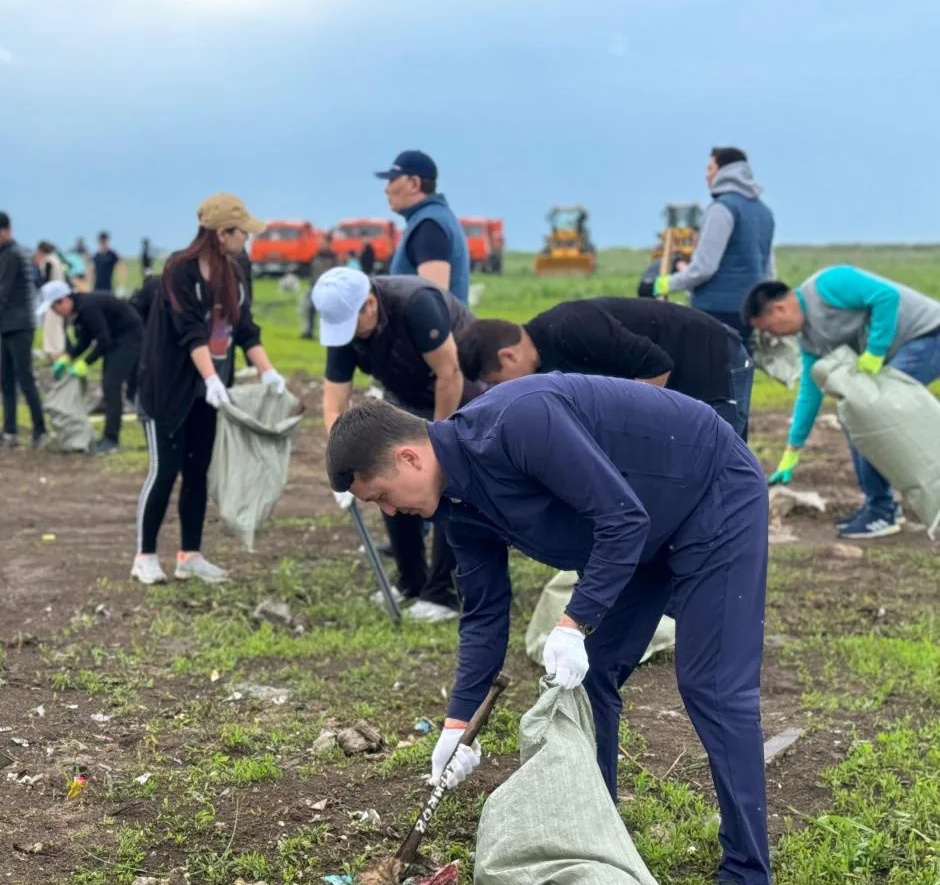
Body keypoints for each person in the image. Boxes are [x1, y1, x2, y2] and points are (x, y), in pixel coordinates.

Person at [327, 381, 772, 885]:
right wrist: (458, 725)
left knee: (712, 685)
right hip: (640, 530)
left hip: (711, 490)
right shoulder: (458, 509)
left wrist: (573, 622)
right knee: (588, 684)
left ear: (408, 457)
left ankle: (747, 880)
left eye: (381, 497)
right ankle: (597, 850)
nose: (391, 511)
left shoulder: (518, 423)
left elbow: (621, 518)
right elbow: (485, 614)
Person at [134, 193, 285, 585]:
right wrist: (211, 378)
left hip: (209, 392)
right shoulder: (179, 270)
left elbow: (245, 330)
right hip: (168, 390)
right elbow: (190, 332)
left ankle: (190, 554)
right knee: (164, 471)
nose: (247, 240)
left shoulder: (234, 272)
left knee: (198, 470)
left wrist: (269, 373)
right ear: (222, 233)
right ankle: (145, 555)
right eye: (242, 233)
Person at [315, 267, 468, 622]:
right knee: (386, 477)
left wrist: (439, 441)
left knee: (447, 483)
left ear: (369, 304)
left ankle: (444, 592)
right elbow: (334, 406)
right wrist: (340, 463)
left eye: (351, 325)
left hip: (459, 388)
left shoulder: (415, 304)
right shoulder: (345, 330)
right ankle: (412, 579)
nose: (347, 336)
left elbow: (451, 374)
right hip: (404, 394)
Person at [745, 268, 940, 539]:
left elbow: (887, 297)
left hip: (928, 334)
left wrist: (875, 351)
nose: (775, 337)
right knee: (854, 415)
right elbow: (811, 390)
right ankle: (881, 506)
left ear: (779, 309)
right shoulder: (810, 340)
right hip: (897, 351)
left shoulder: (828, 284)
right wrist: (793, 450)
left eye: (769, 329)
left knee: (868, 413)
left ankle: (882, 510)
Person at [458, 296, 755, 439]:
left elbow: (657, 365)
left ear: (508, 356)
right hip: (680, 376)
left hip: (715, 356)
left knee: (722, 456)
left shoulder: (569, 328)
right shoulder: (545, 360)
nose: (504, 389)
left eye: (498, 382)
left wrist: (627, 428)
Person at [654, 148, 775, 350]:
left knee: (709, 377)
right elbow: (769, 271)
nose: (706, 174)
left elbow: (704, 268)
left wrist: (668, 283)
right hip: (750, 313)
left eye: (710, 167)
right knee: (739, 374)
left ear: (726, 171)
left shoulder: (721, 209)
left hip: (715, 312)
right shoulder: (764, 212)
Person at [40, 280, 143, 454]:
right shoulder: (79, 309)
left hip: (128, 338)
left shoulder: (87, 307)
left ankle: (111, 439)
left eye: (53, 307)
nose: (54, 313)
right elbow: (86, 339)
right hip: (115, 338)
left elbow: (103, 339)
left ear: (63, 300)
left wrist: (84, 363)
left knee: (111, 385)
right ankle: (110, 437)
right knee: (110, 385)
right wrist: (69, 357)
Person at [0, 210, 45, 450]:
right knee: (6, 380)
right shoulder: (5, 253)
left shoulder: (13, 254)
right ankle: (10, 432)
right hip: (8, 325)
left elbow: (2, 292)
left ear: (7, 230)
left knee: (25, 378)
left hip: (19, 325)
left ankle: (40, 430)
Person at [376, 149, 470, 302]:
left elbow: (435, 302)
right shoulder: (434, 218)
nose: (387, 189)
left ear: (414, 184)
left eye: (392, 180)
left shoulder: (428, 226)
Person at [33, 241, 72, 358]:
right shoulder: (56, 259)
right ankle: (65, 350)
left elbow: (46, 281)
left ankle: (56, 351)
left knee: (53, 326)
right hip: (60, 296)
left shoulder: (49, 262)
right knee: (60, 327)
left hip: (54, 298)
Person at [301, 235, 338, 340]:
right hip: (314, 287)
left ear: (328, 244)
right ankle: (308, 331)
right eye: (319, 243)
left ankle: (330, 334)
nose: (320, 245)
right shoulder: (315, 256)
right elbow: (311, 270)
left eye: (322, 243)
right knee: (309, 310)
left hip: (327, 289)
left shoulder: (333, 258)